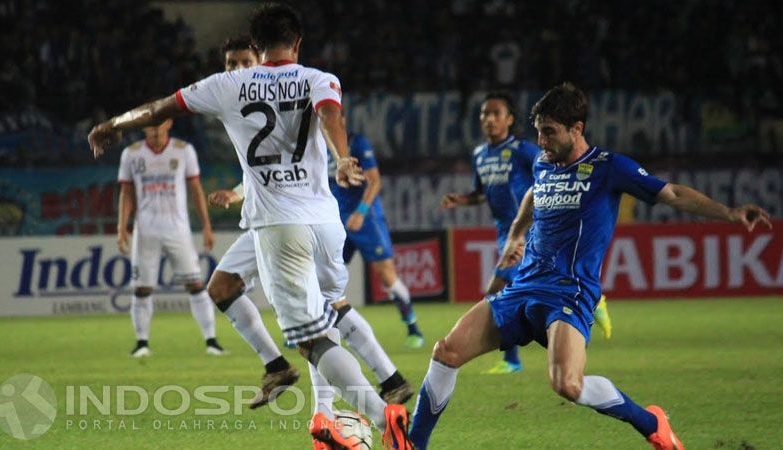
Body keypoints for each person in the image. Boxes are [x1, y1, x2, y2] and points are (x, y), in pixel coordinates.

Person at [88, 4, 413, 450]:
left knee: (312, 338)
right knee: (322, 313)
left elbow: (159, 108)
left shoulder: (227, 84)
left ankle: (382, 418)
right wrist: (341, 159)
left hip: (281, 229)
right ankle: (330, 418)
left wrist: (112, 124)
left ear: (255, 48)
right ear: (297, 43)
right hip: (325, 223)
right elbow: (331, 115)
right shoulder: (320, 78)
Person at [410, 82, 772, 450]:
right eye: (539, 132)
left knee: (567, 384)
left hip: (569, 291)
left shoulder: (609, 167)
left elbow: (672, 194)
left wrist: (728, 213)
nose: (543, 141)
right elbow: (533, 196)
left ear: (577, 129)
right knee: (446, 351)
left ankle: (651, 422)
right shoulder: (541, 161)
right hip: (523, 286)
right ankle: (412, 445)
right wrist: (517, 236)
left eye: (550, 133)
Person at [442, 92, 612, 375]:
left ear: (509, 119)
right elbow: (481, 193)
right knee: (517, 293)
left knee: (495, 292)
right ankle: (590, 304)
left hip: (532, 230)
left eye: (496, 113)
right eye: (485, 114)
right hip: (506, 232)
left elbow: (552, 173)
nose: (489, 119)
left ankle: (513, 360)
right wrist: (461, 200)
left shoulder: (524, 151)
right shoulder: (479, 155)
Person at [202, 35, 300, 410]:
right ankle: (276, 367)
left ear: (261, 61)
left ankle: (383, 382)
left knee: (314, 318)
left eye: (245, 62)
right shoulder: (240, 109)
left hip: (293, 221)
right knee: (222, 287)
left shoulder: (283, 100)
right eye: (231, 64)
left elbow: (290, 164)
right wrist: (236, 193)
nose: (238, 70)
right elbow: (262, 170)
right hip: (264, 220)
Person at [116, 119, 225, 357]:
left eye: (159, 125)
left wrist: (206, 226)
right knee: (142, 288)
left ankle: (211, 341)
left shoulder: (183, 150)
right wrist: (121, 227)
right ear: (144, 127)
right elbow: (126, 192)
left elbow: (196, 189)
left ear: (168, 124)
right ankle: (141, 343)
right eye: (150, 126)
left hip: (178, 229)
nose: (155, 131)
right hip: (145, 230)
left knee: (196, 285)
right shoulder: (131, 154)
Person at [326, 132, 424, 348]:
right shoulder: (318, 145)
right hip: (336, 220)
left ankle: (413, 329)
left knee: (386, 275)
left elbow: (374, 181)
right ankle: (319, 329)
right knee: (325, 275)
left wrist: (360, 212)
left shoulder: (357, 143)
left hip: (366, 220)